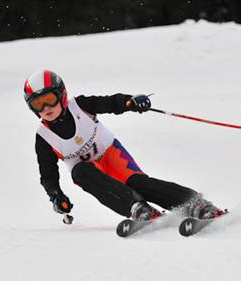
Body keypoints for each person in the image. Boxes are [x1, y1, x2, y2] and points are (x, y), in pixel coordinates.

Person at [24, 70, 225, 221]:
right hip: (90, 171)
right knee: (80, 172)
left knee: (137, 183)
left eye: (49, 100)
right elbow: (48, 174)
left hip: (112, 154)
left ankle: (196, 203)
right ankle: (137, 209)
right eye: (38, 104)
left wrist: (130, 102)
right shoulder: (44, 137)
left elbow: (110, 103)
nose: (46, 108)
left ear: (62, 95)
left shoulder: (81, 105)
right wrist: (56, 195)